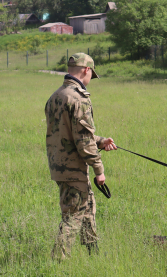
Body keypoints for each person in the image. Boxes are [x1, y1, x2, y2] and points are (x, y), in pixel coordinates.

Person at [45, 53, 117, 259]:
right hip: (74, 168)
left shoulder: (56, 96)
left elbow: (73, 133)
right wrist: (99, 170)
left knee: (87, 210)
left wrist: (100, 140)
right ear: (86, 70)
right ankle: (57, 262)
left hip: (60, 166)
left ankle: (93, 255)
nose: (89, 80)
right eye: (90, 75)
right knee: (74, 216)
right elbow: (83, 141)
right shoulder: (78, 98)